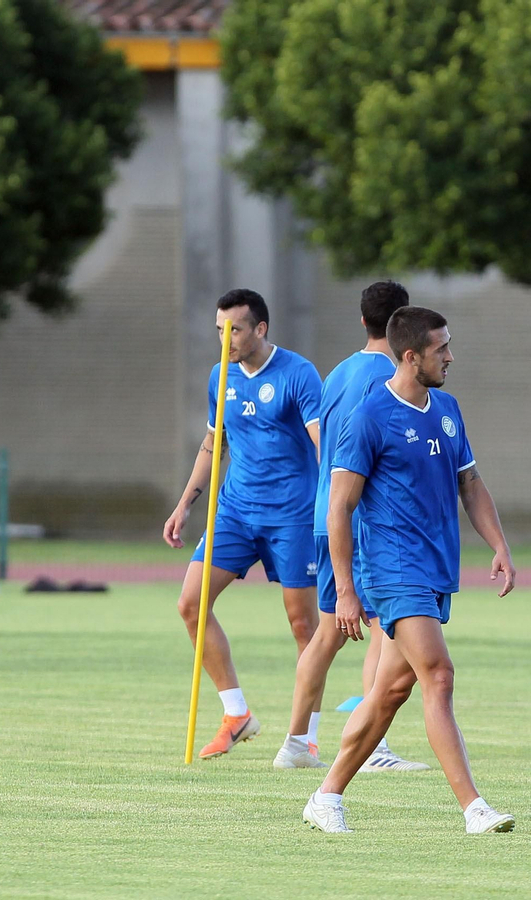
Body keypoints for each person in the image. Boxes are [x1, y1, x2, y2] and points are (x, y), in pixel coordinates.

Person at [302, 306, 518, 835]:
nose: (451, 356)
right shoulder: (369, 416)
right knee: (438, 675)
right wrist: (346, 591)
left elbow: (470, 484)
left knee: (389, 693)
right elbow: (339, 508)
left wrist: (499, 545)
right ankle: (474, 808)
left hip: (435, 569)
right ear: (409, 356)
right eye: (441, 348)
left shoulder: (447, 408)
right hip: (393, 569)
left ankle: (326, 796)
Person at [274, 281, 427, 773]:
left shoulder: (337, 372)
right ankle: (374, 749)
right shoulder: (391, 377)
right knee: (384, 629)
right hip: (363, 520)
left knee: (327, 635)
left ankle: (296, 742)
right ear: (402, 322)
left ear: (363, 321)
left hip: (327, 516)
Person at [163, 289, 322, 760]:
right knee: (191, 605)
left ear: (260, 329)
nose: (225, 339)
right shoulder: (220, 375)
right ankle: (236, 714)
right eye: (219, 330)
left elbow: (324, 446)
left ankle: (304, 738)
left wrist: (338, 506)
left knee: (304, 626)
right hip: (235, 511)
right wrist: (184, 504)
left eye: (233, 330)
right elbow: (214, 444)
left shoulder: (298, 373)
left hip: (293, 515)